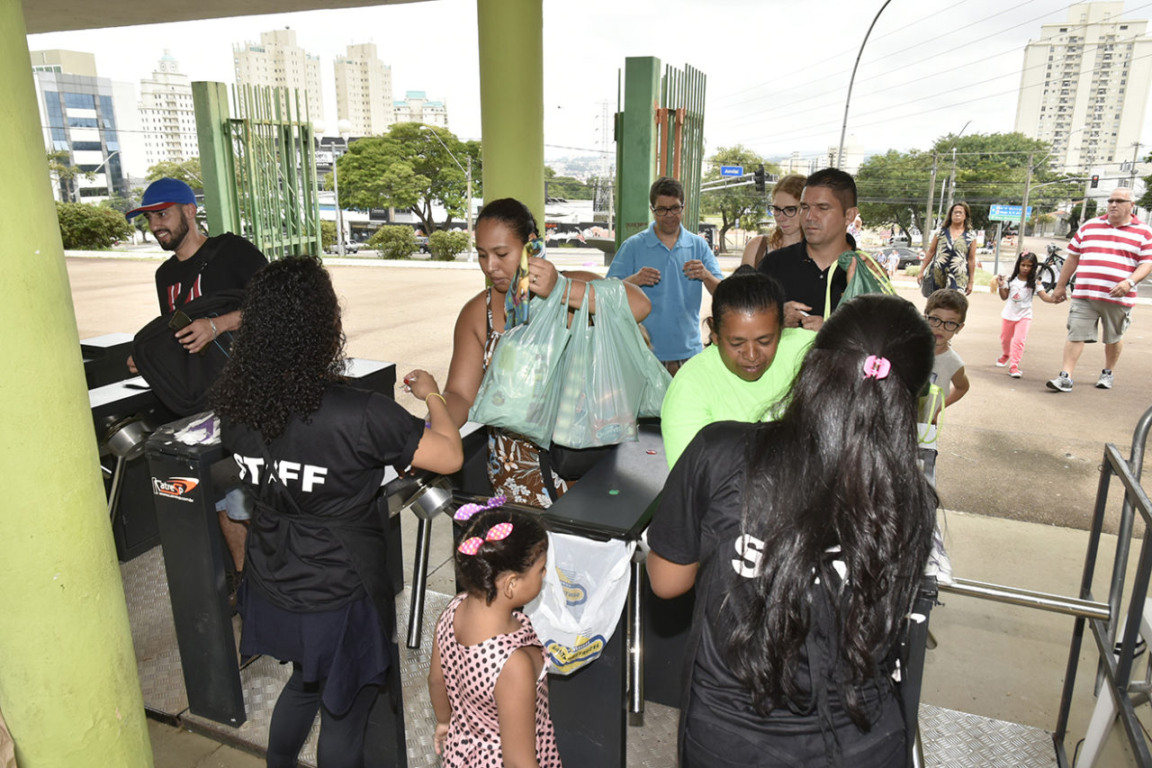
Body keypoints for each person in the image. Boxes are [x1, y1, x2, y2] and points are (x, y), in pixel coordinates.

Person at [646, 294, 937, 767]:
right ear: (913, 395)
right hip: (864, 741)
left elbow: (667, 580)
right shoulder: (912, 500)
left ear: (813, 363)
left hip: (731, 737)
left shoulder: (720, 452)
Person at [213, 257, 463, 768]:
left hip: (275, 576)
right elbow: (449, 455)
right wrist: (433, 393)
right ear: (324, 326)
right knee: (344, 708)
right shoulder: (360, 413)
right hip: (339, 590)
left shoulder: (238, 408)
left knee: (304, 683)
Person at [404, 197, 650, 508]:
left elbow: (639, 305)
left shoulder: (572, 287)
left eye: (502, 254)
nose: (491, 266)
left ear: (531, 245)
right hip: (514, 478)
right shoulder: (478, 313)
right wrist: (430, 425)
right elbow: (461, 396)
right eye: (482, 255)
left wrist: (560, 290)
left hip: (584, 468)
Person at [126, 176, 268, 574]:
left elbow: (277, 308)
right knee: (224, 499)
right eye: (149, 219)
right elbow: (179, 341)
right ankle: (246, 585)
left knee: (256, 498)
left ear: (189, 210)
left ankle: (281, 584)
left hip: (253, 392)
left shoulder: (234, 252)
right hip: (204, 402)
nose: (156, 226)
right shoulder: (164, 277)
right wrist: (149, 360)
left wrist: (218, 324)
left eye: (162, 214)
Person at [428, 505, 562, 768]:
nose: (545, 574)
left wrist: (445, 721)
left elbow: (436, 681)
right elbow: (518, 761)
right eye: (540, 569)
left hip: (462, 754)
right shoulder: (513, 663)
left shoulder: (453, 610)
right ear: (512, 584)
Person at [660, 267, 815, 467]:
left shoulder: (808, 352)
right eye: (736, 343)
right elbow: (695, 482)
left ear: (781, 330)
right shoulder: (690, 388)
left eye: (765, 341)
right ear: (714, 333)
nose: (752, 355)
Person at [606, 176, 723, 375]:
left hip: (689, 353)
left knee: (686, 407)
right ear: (652, 210)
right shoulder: (633, 246)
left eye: (675, 208)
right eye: (662, 209)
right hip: (644, 352)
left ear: (683, 208)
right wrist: (634, 281)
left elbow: (725, 293)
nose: (669, 215)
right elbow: (605, 293)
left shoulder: (698, 245)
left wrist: (706, 275)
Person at [1046, 187, 1152, 392]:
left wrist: (1129, 282)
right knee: (1075, 334)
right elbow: (1072, 258)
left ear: (1132, 206)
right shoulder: (1089, 226)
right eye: (1111, 200)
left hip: (1119, 297)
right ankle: (1065, 376)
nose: (1113, 204)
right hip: (1085, 294)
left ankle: (1107, 372)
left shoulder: (1144, 232)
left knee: (1113, 337)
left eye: (1119, 201)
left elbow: (1147, 264)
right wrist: (1060, 286)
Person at [757, 168, 863, 332]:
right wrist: (774, 318)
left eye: (822, 208)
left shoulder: (865, 271)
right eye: (804, 207)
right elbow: (739, 325)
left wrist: (833, 330)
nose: (809, 217)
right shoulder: (773, 265)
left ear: (849, 215)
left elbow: (879, 340)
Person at [994, 251, 1053, 378]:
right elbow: (1004, 297)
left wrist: (1054, 299)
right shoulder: (1011, 280)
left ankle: (1014, 366)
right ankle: (1006, 354)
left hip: (1024, 316)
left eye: (1029, 265)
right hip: (1009, 314)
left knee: (1019, 340)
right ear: (1018, 265)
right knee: (1005, 339)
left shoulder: (1034, 282)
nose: (1025, 268)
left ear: (1033, 267)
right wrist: (1001, 286)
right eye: (1023, 265)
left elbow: (1044, 296)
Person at [741, 174, 805, 269]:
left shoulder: (822, 251)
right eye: (777, 209)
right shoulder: (757, 247)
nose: (781, 217)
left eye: (790, 210)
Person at [924, 289, 970, 416]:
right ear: (925, 318)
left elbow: (962, 387)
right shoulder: (907, 350)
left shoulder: (953, 363)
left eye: (950, 323)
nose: (940, 328)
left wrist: (937, 410)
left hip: (924, 426)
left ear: (959, 328)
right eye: (935, 319)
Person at [919, 202, 977, 296]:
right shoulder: (940, 232)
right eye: (955, 212)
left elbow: (971, 259)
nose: (957, 214)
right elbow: (931, 251)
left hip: (958, 276)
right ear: (950, 215)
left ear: (965, 216)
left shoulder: (971, 236)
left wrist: (971, 281)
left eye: (960, 212)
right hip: (938, 274)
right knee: (936, 302)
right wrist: (922, 271)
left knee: (954, 303)